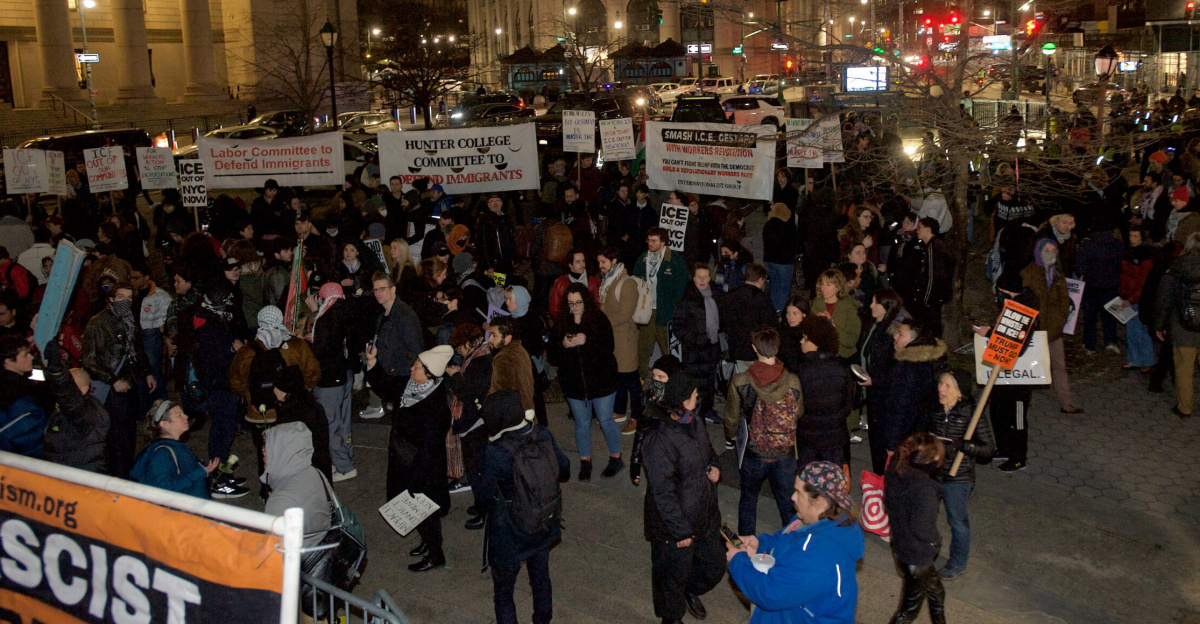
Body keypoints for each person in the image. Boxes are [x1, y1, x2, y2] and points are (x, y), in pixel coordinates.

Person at [725, 461, 864, 624]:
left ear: (818, 500)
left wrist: (738, 561)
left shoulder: (818, 556)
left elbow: (769, 593)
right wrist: (760, 545)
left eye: (798, 492)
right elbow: (784, 540)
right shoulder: (815, 522)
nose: (792, 497)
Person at [477, 390, 570, 624]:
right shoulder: (542, 434)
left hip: (509, 531)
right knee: (540, 579)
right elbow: (565, 468)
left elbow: (482, 496)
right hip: (542, 522)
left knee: (504, 592)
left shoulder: (496, 451)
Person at [643, 374, 726, 624]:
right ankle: (672, 616)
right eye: (693, 393)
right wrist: (680, 532)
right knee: (671, 577)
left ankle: (689, 590)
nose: (697, 396)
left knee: (714, 565)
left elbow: (708, 451)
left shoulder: (695, 420)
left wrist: (714, 466)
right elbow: (662, 492)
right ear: (680, 401)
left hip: (705, 513)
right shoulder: (659, 439)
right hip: (675, 527)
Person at [367, 343, 455, 572]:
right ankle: (427, 542)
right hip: (404, 459)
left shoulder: (435, 408)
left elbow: (429, 449)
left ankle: (436, 554)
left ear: (429, 375)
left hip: (421, 468)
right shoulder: (411, 387)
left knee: (425, 512)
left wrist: (416, 481)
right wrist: (373, 363)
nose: (411, 369)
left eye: (417, 367)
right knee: (415, 509)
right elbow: (387, 387)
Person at [725, 327, 803, 536]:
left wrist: (731, 433)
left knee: (749, 498)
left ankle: (746, 546)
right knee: (788, 503)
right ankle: (793, 544)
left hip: (755, 451)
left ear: (754, 348)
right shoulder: (793, 381)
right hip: (785, 453)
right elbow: (799, 412)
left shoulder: (741, 380)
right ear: (777, 348)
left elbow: (732, 416)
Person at [922, 370, 995, 579]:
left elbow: (988, 448)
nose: (941, 389)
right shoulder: (934, 409)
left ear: (960, 392)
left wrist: (962, 446)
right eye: (940, 383)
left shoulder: (972, 413)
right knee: (925, 515)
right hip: (933, 474)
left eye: (947, 386)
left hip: (958, 478)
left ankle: (957, 562)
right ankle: (926, 554)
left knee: (957, 522)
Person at [82, 281, 155, 479]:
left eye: (130, 298)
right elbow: (89, 360)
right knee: (116, 437)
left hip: (130, 383)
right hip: (111, 389)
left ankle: (126, 474)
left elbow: (136, 349)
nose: (126, 302)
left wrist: (147, 372)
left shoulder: (129, 320)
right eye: (121, 297)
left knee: (128, 434)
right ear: (111, 299)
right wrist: (113, 380)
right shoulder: (98, 323)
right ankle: (118, 478)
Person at [261, 421, 333, 621]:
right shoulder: (313, 472)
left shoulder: (281, 500)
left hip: (302, 573)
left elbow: (273, 552)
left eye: (268, 447)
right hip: (323, 559)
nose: (264, 453)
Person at [551, 283, 623, 480]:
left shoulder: (598, 319)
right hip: (574, 385)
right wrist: (562, 344)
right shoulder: (562, 322)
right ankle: (585, 462)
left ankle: (616, 457)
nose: (574, 307)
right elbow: (552, 356)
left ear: (586, 301)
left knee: (606, 419)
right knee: (581, 423)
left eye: (578, 303)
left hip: (601, 382)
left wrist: (587, 339)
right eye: (570, 303)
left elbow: (609, 347)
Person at [884, 432, 948, 624]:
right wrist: (935, 542)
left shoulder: (897, 469)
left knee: (937, 592)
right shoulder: (925, 489)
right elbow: (922, 528)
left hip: (901, 544)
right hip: (917, 556)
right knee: (907, 612)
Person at [1021, 239, 1082, 413]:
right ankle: (1025, 400)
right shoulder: (1029, 273)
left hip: (1054, 330)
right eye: (1046, 250)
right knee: (1030, 366)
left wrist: (1061, 319)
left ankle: (1066, 402)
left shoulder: (1059, 275)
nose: (1051, 253)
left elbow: (1064, 302)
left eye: (1053, 250)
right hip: (1034, 330)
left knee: (1059, 366)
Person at [870, 320, 946, 457]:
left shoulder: (908, 367)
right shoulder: (923, 362)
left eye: (901, 334)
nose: (895, 337)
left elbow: (901, 406)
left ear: (914, 339)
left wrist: (892, 443)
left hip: (903, 436)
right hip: (915, 433)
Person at [445, 322, 494, 530]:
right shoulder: (478, 357)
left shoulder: (479, 361)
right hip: (476, 422)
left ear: (467, 343)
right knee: (476, 469)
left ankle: (485, 511)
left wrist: (455, 376)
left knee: (476, 470)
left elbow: (468, 393)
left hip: (475, 423)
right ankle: (481, 505)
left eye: (460, 349)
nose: (460, 353)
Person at [307, 282, 357, 481]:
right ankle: (346, 459)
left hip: (329, 378)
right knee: (344, 422)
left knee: (330, 424)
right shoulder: (348, 312)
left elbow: (321, 349)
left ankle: (344, 467)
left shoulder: (327, 316)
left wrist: (314, 314)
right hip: (345, 374)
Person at [857, 289, 909, 474]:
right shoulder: (875, 323)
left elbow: (896, 370)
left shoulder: (893, 333)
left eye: (875, 303)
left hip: (884, 394)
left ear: (886, 307)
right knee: (876, 438)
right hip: (873, 391)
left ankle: (884, 476)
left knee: (883, 438)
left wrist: (876, 380)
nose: (871, 306)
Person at [794, 316, 855, 467]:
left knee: (807, 482)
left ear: (817, 342)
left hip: (808, 439)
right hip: (835, 438)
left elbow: (796, 406)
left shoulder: (801, 371)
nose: (801, 341)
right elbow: (848, 404)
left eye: (805, 338)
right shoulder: (842, 368)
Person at [42, 338, 110, 473]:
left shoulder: (88, 411)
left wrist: (58, 371)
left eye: (71, 383)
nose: (67, 386)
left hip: (79, 476)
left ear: (84, 389)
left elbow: (70, 399)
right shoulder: (63, 407)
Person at [130, 400, 219, 498]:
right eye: (179, 415)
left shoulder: (176, 447)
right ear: (165, 424)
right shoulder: (162, 454)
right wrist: (199, 473)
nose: (186, 417)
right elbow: (163, 490)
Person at [597, 247, 642, 434]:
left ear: (614, 261)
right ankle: (620, 411)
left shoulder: (627, 283)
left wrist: (602, 323)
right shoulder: (608, 280)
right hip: (614, 339)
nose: (600, 266)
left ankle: (637, 418)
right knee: (618, 378)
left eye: (603, 262)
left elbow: (625, 314)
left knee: (631, 380)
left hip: (625, 340)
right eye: (599, 262)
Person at [1155, 232, 1200, 418]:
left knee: (1184, 370)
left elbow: (1163, 300)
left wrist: (1159, 325)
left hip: (1183, 327)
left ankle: (1185, 407)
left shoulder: (1176, 268)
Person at [634, 227, 688, 378]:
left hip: (667, 314)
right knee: (644, 349)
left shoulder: (675, 261)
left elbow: (682, 287)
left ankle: (673, 380)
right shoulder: (643, 259)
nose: (649, 243)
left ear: (663, 242)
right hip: (647, 312)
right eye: (648, 240)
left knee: (669, 351)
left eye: (653, 240)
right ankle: (642, 379)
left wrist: (675, 309)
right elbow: (635, 281)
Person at [672, 263, 722, 421]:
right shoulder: (687, 299)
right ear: (693, 278)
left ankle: (707, 410)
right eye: (699, 277)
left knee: (709, 383)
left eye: (705, 277)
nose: (702, 280)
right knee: (694, 385)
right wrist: (694, 340)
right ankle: (693, 414)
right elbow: (677, 325)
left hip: (711, 349)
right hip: (694, 353)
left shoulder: (716, 295)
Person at [1075, 220, 1123, 354]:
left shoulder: (1088, 244)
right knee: (1110, 315)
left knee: (1090, 317)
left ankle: (1090, 345)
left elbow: (1080, 268)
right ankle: (1110, 341)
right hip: (1111, 286)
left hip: (1092, 285)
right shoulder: (1117, 244)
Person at [720, 263, 779, 372]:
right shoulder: (763, 300)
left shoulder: (729, 296)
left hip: (734, 350)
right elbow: (772, 325)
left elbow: (723, 322)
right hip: (755, 352)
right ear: (761, 280)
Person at [0, 335, 50, 458]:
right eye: (25, 355)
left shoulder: (18, 384)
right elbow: (27, 440)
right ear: (8, 361)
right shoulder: (16, 395)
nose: (31, 357)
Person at [1119, 228, 1155, 371]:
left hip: (1137, 299)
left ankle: (1146, 360)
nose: (1131, 238)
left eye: (1135, 236)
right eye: (1130, 235)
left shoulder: (1144, 257)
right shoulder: (1130, 253)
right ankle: (1137, 360)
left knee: (1140, 331)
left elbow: (1142, 282)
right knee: (1132, 331)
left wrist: (1132, 298)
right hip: (1130, 296)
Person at [811, 268, 863, 360]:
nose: (823, 288)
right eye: (822, 283)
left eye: (828, 284)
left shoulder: (850, 307)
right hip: (822, 353)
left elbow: (851, 341)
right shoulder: (817, 303)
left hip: (843, 355)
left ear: (838, 287)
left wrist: (833, 326)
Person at [762, 203, 798, 312]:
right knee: (783, 290)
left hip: (769, 261)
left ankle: (772, 311)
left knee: (773, 287)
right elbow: (794, 245)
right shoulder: (788, 227)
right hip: (784, 263)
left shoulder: (767, 225)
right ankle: (781, 312)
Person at [548, 249, 599, 318]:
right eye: (578, 262)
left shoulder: (593, 282)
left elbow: (598, 305)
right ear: (570, 265)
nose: (582, 265)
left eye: (583, 261)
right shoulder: (560, 282)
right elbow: (554, 308)